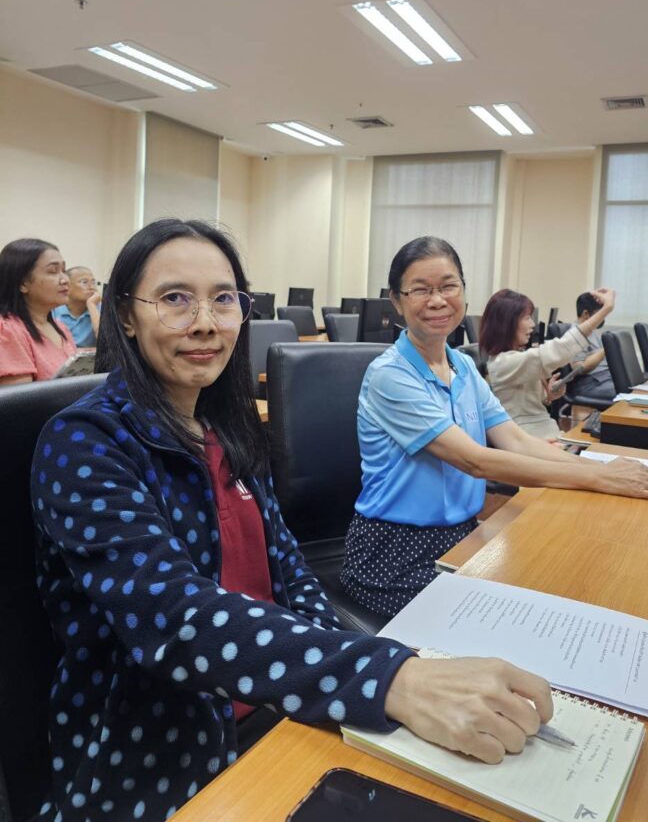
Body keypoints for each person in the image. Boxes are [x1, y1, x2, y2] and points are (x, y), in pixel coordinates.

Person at [31, 219, 554, 822]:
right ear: (125, 315)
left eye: (223, 299)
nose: (205, 322)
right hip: (169, 751)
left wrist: (372, 669)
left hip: (287, 705)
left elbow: (292, 577)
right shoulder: (84, 442)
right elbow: (175, 618)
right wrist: (387, 679)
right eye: (175, 298)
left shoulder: (225, 429)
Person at [341, 237, 648, 617]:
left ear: (463, 291)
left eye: (448, 286)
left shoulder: (462, 366)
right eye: (420, 290)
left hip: (462, 534)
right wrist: (601, 478)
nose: (437, 300)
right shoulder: (390, 375)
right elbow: (475, 461)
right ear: (397, 300)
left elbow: (515, 440)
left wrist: (602, 469)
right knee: (525, 617)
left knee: (562, 582)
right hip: (394, 553)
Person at [480, 287, 616, 437]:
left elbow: (521, 399)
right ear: (507, 324)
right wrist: (606, 308)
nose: (533, 324)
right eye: (527, 318)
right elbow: (561, 348)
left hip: (545, 434)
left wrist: (547, 395)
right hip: (533, 439)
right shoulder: (503, 363)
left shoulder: (512, 359)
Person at [0, 238, 76, 385]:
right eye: (53, 271)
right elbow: (21, 397)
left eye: (64, 271)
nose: (65, 280)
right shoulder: (7, 330)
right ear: (23, 283)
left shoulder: (61, 328)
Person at [567, 291, 617, 404]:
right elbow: (579, 368)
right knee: (626, 394)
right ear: (586, 314)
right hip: (590, 383)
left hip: (604, 377)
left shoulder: (591, 332)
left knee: (634, 387)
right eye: (599, 314)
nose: (602, 318)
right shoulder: (575, 334)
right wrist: (606, 349)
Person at [53, 266, 101, 347]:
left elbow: (106, 340)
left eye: (93, 282)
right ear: (67, 287)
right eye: (84, 282)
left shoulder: (100, 309)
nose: (92, 287)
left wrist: (92, 306)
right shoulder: (53, 310)